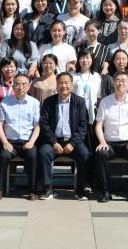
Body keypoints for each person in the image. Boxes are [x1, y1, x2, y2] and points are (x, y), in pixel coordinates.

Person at [38, 72, 91, 200]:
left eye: (67, 83)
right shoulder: (49, 102)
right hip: (54, 141)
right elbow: (44, 124)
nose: (64, 86)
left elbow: (83, 126)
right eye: (60, 83)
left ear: (72, 85)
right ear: (56, 86)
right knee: (44, 152)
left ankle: (80, 190)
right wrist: (54, 142)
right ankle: (47, 189)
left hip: (73, 141)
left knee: (84, 154)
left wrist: (72, 143)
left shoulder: (80, 102)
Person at [94, 72, 128, 203]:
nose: (120, 83)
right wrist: (102, 142)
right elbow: (98, 125)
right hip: (109, 142)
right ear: (113, 83)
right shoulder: (105, 102)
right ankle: (105, 192)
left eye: (123, 81)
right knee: (101, 154)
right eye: (117, 80)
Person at [0, 73, 41, 200]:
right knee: (3, 156)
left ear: (28, 86)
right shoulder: (5, 102)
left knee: (33, 156)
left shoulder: (34, 103)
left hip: (27, 142)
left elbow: (37, 126)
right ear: (13, 86)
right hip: (10, 142)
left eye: (24, 84)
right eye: (17, 84)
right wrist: (5, 142)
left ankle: (32, 191)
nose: (20, 87)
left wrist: (31, 142)